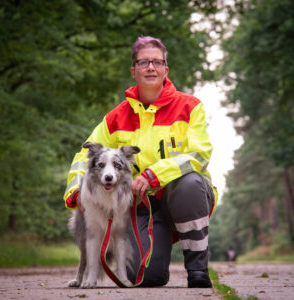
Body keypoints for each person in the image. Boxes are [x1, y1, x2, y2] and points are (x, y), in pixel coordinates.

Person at [64, 36, 218, 288]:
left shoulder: (190, 106)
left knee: (189, 184)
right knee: (145, 277)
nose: (150, 67)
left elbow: (199, 156)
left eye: (157, 62)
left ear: (166, 70)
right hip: (141, 208)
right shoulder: (115, 116)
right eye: (143, 62)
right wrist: (75, 191)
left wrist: (152, 176)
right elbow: (85, 157)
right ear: (133, 70)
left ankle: (198, 270)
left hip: (184, 197)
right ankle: (154, 258)